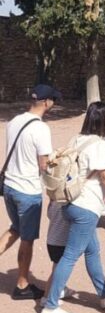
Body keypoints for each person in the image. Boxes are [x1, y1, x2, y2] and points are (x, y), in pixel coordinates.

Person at [40, 102, 105, 313]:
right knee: (70, 256)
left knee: (92, 250)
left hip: (70, 203)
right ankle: (50, 306)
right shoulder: (99, 145)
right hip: (86, 206)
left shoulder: (76, 139)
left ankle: (104, 294)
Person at [2, 84, 59, 300]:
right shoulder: (41, 129)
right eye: (53, 100)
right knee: (27, 238)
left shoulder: (14, 121)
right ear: (46, 102)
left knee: (15, 228)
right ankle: (22, 284)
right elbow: (43, 165)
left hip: (9, 185)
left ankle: (23, 280)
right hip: (27, 190)